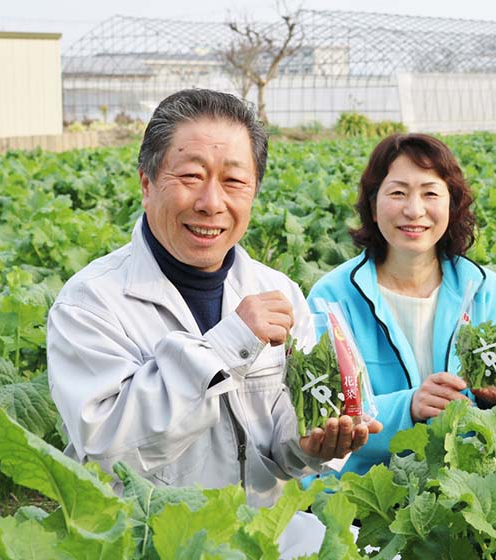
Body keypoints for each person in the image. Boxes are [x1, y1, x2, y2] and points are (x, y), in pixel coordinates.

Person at [46, 89, 380, 553]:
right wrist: (227, 345)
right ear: (146, 184)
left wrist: (310, 446)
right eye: (190, 176)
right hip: (147, 542)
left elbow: (283, 449)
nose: (210, 202)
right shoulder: (90, 303)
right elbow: (108, 453)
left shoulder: (279, 292)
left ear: (254, 192)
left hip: (260, 535)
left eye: (233, 181)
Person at [307, 133, 496, 478]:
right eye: (398, 193)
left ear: (451, 204)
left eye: (430, 193)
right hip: (361, 495)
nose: (414, 210)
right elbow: (318, 418)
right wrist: (408, 408)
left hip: (468, 488)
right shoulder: (333, 297)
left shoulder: (487, 291)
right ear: (373, 205)